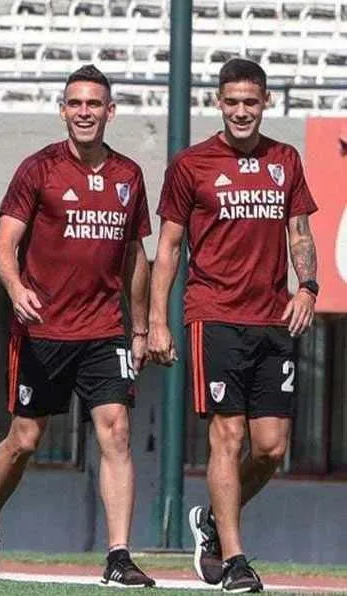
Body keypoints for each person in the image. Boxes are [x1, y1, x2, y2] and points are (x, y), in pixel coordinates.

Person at [0, 65, 155, 588]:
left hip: (104, 330)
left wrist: (141, 329)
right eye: (75, 104)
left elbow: (137, 257)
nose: (85, 112)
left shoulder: (129, 176)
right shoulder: (37, 169)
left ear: (110, 111)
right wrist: (16, 288)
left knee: (116, 430)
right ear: (63, 110)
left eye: (94, 104)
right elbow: (5, 247)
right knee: (25, 439)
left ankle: (118, 556)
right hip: (44, 330)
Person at [148, 58, 318, 594]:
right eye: (232, 101)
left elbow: (300, 232)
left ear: (265, 102)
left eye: (251, 101)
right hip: (214, 315)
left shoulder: (284, 159)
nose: (242, 111)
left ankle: (212, 522)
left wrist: (308, 287)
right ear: (218, 103)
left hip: (273, 318)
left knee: (270, 448)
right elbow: (169, 247)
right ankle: (236, 559)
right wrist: (157, 320)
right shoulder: (191, 164)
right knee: (228, 435)